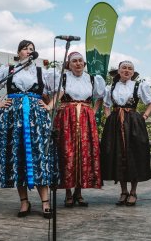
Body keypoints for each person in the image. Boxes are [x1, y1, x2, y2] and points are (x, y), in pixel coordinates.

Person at [0, 40, 59, 218]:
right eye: (26, 49)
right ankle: (24, 202)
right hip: (13, 118)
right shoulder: (9, 70)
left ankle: (45, 202)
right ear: (18, 52)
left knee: (40, 155)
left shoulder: (42, 72)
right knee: (17, 155)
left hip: (37, 118)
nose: (29, 51)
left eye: (32, 49)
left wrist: (50, 105)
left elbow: (60, 89)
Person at [53, 51, 105, 207]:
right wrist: (57, 108)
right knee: (66, 153)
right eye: (74, 61)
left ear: (84, 63)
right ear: (68, 64)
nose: (78, 63)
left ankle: (79, 192)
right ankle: (68, 193)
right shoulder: (62, 77)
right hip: (66, 119)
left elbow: (100, 97)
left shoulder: (92, 79)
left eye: (80, 61)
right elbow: (48, 94)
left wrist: (93, 112)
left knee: (84, 153)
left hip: (85, 119)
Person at [101, 60, 151, 206]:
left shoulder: (139, 85)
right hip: (115, 123)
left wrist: (144, 117)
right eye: (124, 68)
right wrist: (109, 118)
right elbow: (106, 105)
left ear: (133, 72)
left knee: (134, 154)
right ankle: (123, 191)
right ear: (118, 71)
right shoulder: (110, 87)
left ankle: (133, 192)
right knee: (119, 155)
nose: (127, 70)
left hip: (133, 122)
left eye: (130, 69)